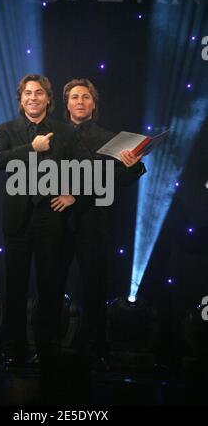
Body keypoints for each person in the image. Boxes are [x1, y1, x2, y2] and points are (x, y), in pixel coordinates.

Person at [0, 74, 76, 369]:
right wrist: (33, 148)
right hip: (18, 218)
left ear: (48, 99)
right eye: (27, 93)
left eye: (39, 93)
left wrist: (73, 194)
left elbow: (83, 165)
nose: (33, 98)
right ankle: (14, 346)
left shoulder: (64, 132)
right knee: (15, 286)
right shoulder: (6, 129)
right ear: (20, 100)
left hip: (51, 215)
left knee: (50, 285)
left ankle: (47, 346)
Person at [63, 78, 146, 369]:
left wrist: (131, 165)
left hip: (92, 220)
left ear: (93, 104)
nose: (80, 101)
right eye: (75, 97)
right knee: (50, 286)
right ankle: (49, 344)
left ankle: (97, 347)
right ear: (67, 103)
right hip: (57, 220)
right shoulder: (54, 134)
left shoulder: (109, 138)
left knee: (94, 286)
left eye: (86, 97)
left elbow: (119, 181)